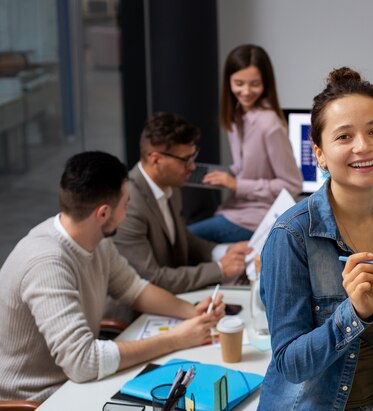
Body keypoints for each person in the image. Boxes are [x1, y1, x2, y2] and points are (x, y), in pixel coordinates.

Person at [0, 151, 226, 402]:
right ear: (103, 213)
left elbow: (134, 288)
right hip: (37, 399)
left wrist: (192, 312)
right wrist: (176, 339)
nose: (128, 211)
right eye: (126, 204)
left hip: (76, 385)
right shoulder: (47, 263)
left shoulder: (95, 239)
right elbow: (83, 362)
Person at [259, 67, 373, 410]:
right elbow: (290, 363)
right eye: (344, 137)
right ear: (319, 153)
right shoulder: (291, 235)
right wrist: (355, 314)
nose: (364, 146)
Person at [113, 112, 251, 304]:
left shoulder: (170, 185)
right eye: (185, 159)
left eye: (193, 156)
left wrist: (221, 251)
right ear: (156, 160)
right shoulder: (129, 205)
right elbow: (152, 279)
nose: (192, 166)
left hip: (173, 298)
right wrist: (219, 269)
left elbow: (181, 237)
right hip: (136, 314)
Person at [187, 44, 302, 243]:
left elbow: (292, 184)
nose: (246, 91)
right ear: (228, 82)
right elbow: (247, 168)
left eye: (254, 84)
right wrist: (226, 175)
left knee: (184, 239)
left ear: (266, 83)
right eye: (239, 83)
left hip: (256, 217)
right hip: (235, 208)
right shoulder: (236, 115)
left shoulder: (270, 124)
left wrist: (237, 184)